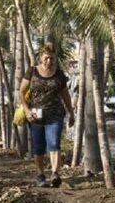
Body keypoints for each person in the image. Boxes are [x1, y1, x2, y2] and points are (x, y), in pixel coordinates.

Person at [19, 43, 75, 188]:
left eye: (51, 58)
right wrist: (26, 110)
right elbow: (21, 92)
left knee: (54, 143)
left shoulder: (59, 75)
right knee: (38, 147)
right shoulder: (32, 72)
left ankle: (55, 174)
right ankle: (40, 175)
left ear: (55, 58)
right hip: (35, 116)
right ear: (41, 57)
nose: (49, 61)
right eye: (46, 58)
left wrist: (71, 113)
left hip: (55, 115)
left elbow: (66, 95)